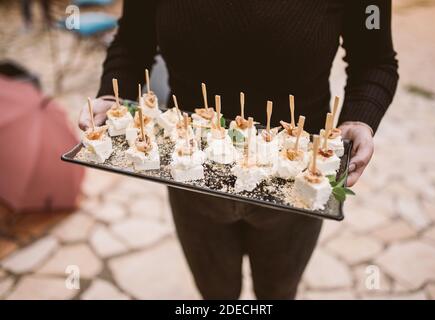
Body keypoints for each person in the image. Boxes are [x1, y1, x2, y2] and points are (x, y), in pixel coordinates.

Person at [79, 0, 398, 299]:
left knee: (278, 294)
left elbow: (375, 60)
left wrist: (360, 117)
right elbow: (133, 41)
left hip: (298, 185)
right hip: (191, 177)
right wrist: (112, 93)